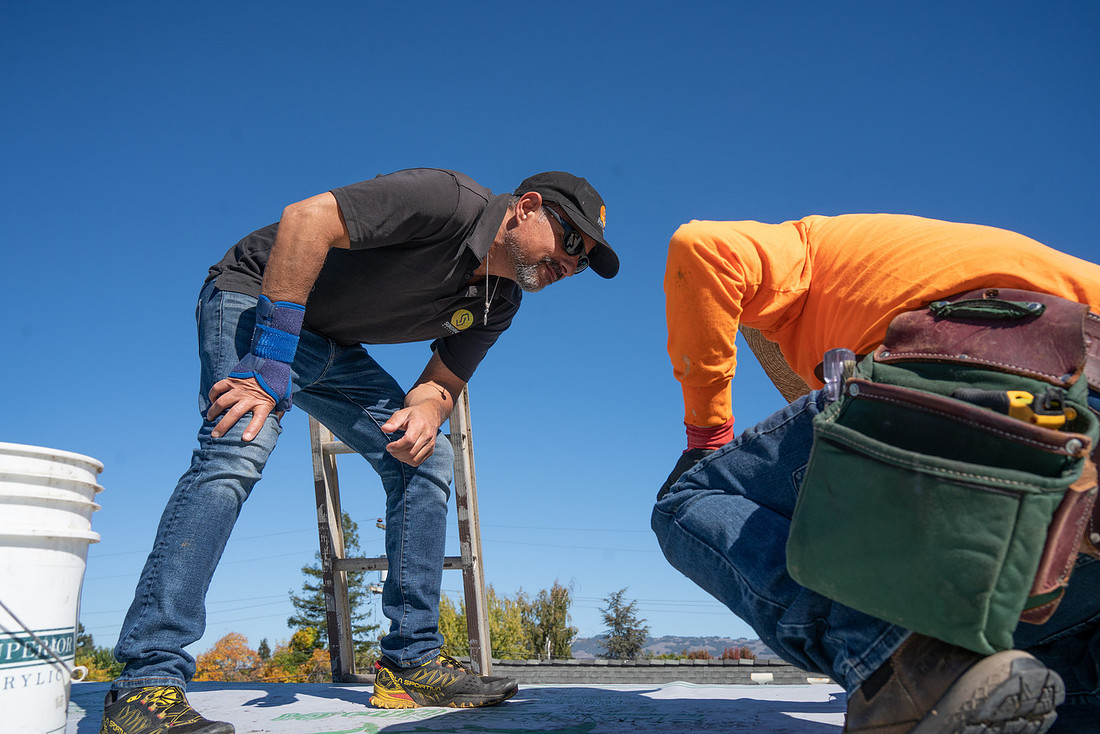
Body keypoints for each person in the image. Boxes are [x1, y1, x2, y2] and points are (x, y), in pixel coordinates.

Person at [100, 168, 618, 734]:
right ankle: (145, 681)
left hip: (332, 349)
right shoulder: (449, 201)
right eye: (572, 242)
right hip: (256, 303)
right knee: (237, 448)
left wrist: (427, 412)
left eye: (584, 264)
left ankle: (410, 663)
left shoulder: (500, 302)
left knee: (427, 459)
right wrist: (269, 360)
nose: (571, 265)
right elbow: (306, 219)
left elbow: (441, 383)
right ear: (527, 207)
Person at [652, 213, 1100, 733]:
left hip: (986, 381)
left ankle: (905, 668)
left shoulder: (806, 248)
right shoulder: (992, 258)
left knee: (690, 498)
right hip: (1077, 419)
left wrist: (707, 437)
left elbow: (705, 248)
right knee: (1058, 663)